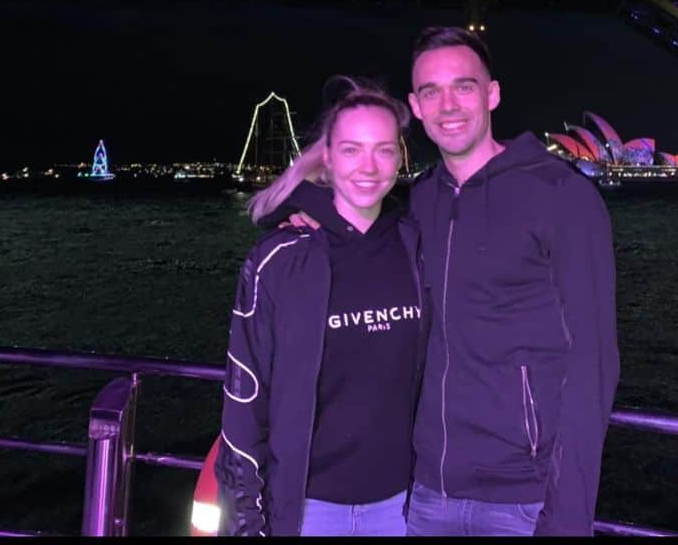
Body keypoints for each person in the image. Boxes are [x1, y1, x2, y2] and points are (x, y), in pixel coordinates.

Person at [288, 27, 620, 536]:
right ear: (415, 108)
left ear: (492, 94)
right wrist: (305, 220)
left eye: (463, 87)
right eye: (430, 92)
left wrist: (569, 517)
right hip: (424, 494)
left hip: (525, 501)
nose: (448, 105)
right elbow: (354, 225)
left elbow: (595, 363)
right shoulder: (419, 203)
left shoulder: (562, 197)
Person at [214, 79, 427, 537]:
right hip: (308, 510)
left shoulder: (414, 247)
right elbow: (244, 402)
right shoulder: (279, 259)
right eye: (352, 150)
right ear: (327, 158)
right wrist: (245, 521)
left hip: (402, 507)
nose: (369, 167)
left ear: (400, 157)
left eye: (384, 150)